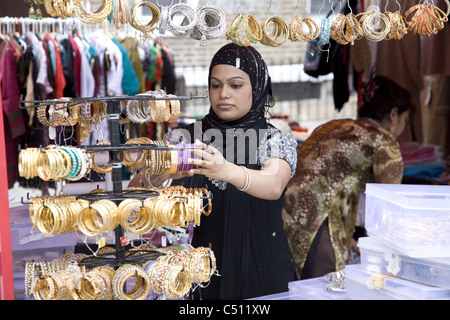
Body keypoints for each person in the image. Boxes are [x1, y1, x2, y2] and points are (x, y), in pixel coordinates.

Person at [129, 43, 298, 299]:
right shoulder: (187, 137)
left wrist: (227, 170)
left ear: (257, 87)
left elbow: (274, 184)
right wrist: (164, 173)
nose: (223, 94)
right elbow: (132, 195)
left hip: (262, 273)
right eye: (215, 85)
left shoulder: (273, 139)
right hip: (203, 274)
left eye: (236, 85)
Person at [282, 75, 415, 280]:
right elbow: (389, 208)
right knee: (321, 290)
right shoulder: (383, 141)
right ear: (394, 114)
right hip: (318, 226)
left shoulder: (336, 125)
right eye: (405, 121)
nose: (403, 128)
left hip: (284, 214)